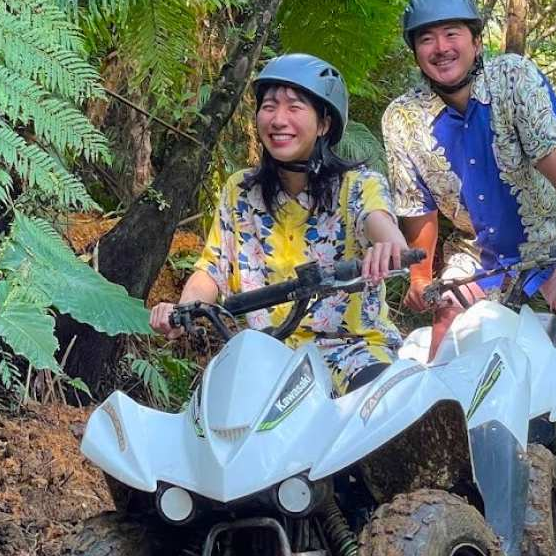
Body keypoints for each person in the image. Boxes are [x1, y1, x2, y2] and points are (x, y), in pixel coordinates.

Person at [150, 53, 410, 394]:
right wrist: (183, 311)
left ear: (324, 124)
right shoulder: (240, 192)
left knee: (385, 415)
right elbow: (213, 267)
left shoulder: (359, 185)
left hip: (353, 351)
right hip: (268, 361)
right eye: (269, 106)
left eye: (295, 107)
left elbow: (379, 223)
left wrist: (389, 246)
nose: (278, 119)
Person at [381, 0, 556, 348]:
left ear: (476, 42)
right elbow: (417, 208)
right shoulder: (402, 117)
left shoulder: (512, 76)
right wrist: (420, 278)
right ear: (415, 53)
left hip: (553, 233)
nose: (441, 48)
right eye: (427, 39)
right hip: (479, 252)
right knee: (444, 342)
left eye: (452, 34)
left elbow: (550, 154)